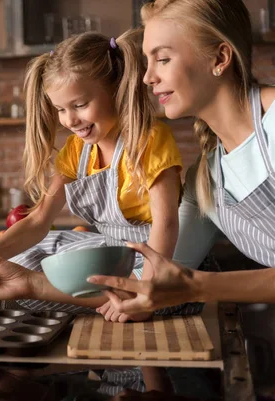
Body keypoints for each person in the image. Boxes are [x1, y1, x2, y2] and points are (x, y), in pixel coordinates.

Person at [0, 29, 186, 321]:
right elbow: (37, 221)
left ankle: (120, 299)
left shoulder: (148, 140)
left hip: (159, 257)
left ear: (117, 89)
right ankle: (3, 292)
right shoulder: (76, 151)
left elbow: (168, 224)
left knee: (123, 291)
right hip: (112, 252)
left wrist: (146, 294)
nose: (70, 120)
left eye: (80, 105)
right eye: (60, 109)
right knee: (31, 254)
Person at [88, 0, 275, 314]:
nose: (148, 77)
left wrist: (198, 286)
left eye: (162, 59)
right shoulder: (206, 177)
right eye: (148, 61)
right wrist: (29, 283)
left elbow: (185, 283)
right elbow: (152, 281)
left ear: (220, 57)